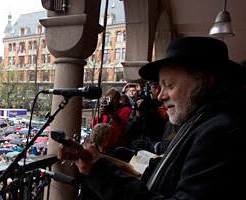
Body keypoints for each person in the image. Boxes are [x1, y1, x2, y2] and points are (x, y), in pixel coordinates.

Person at [75, 37, 246, 199]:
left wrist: (101, 175)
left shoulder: (221, 133)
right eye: (160, 86)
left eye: (169, 85)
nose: (160, 96)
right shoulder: (201, 123)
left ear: (206, 80)